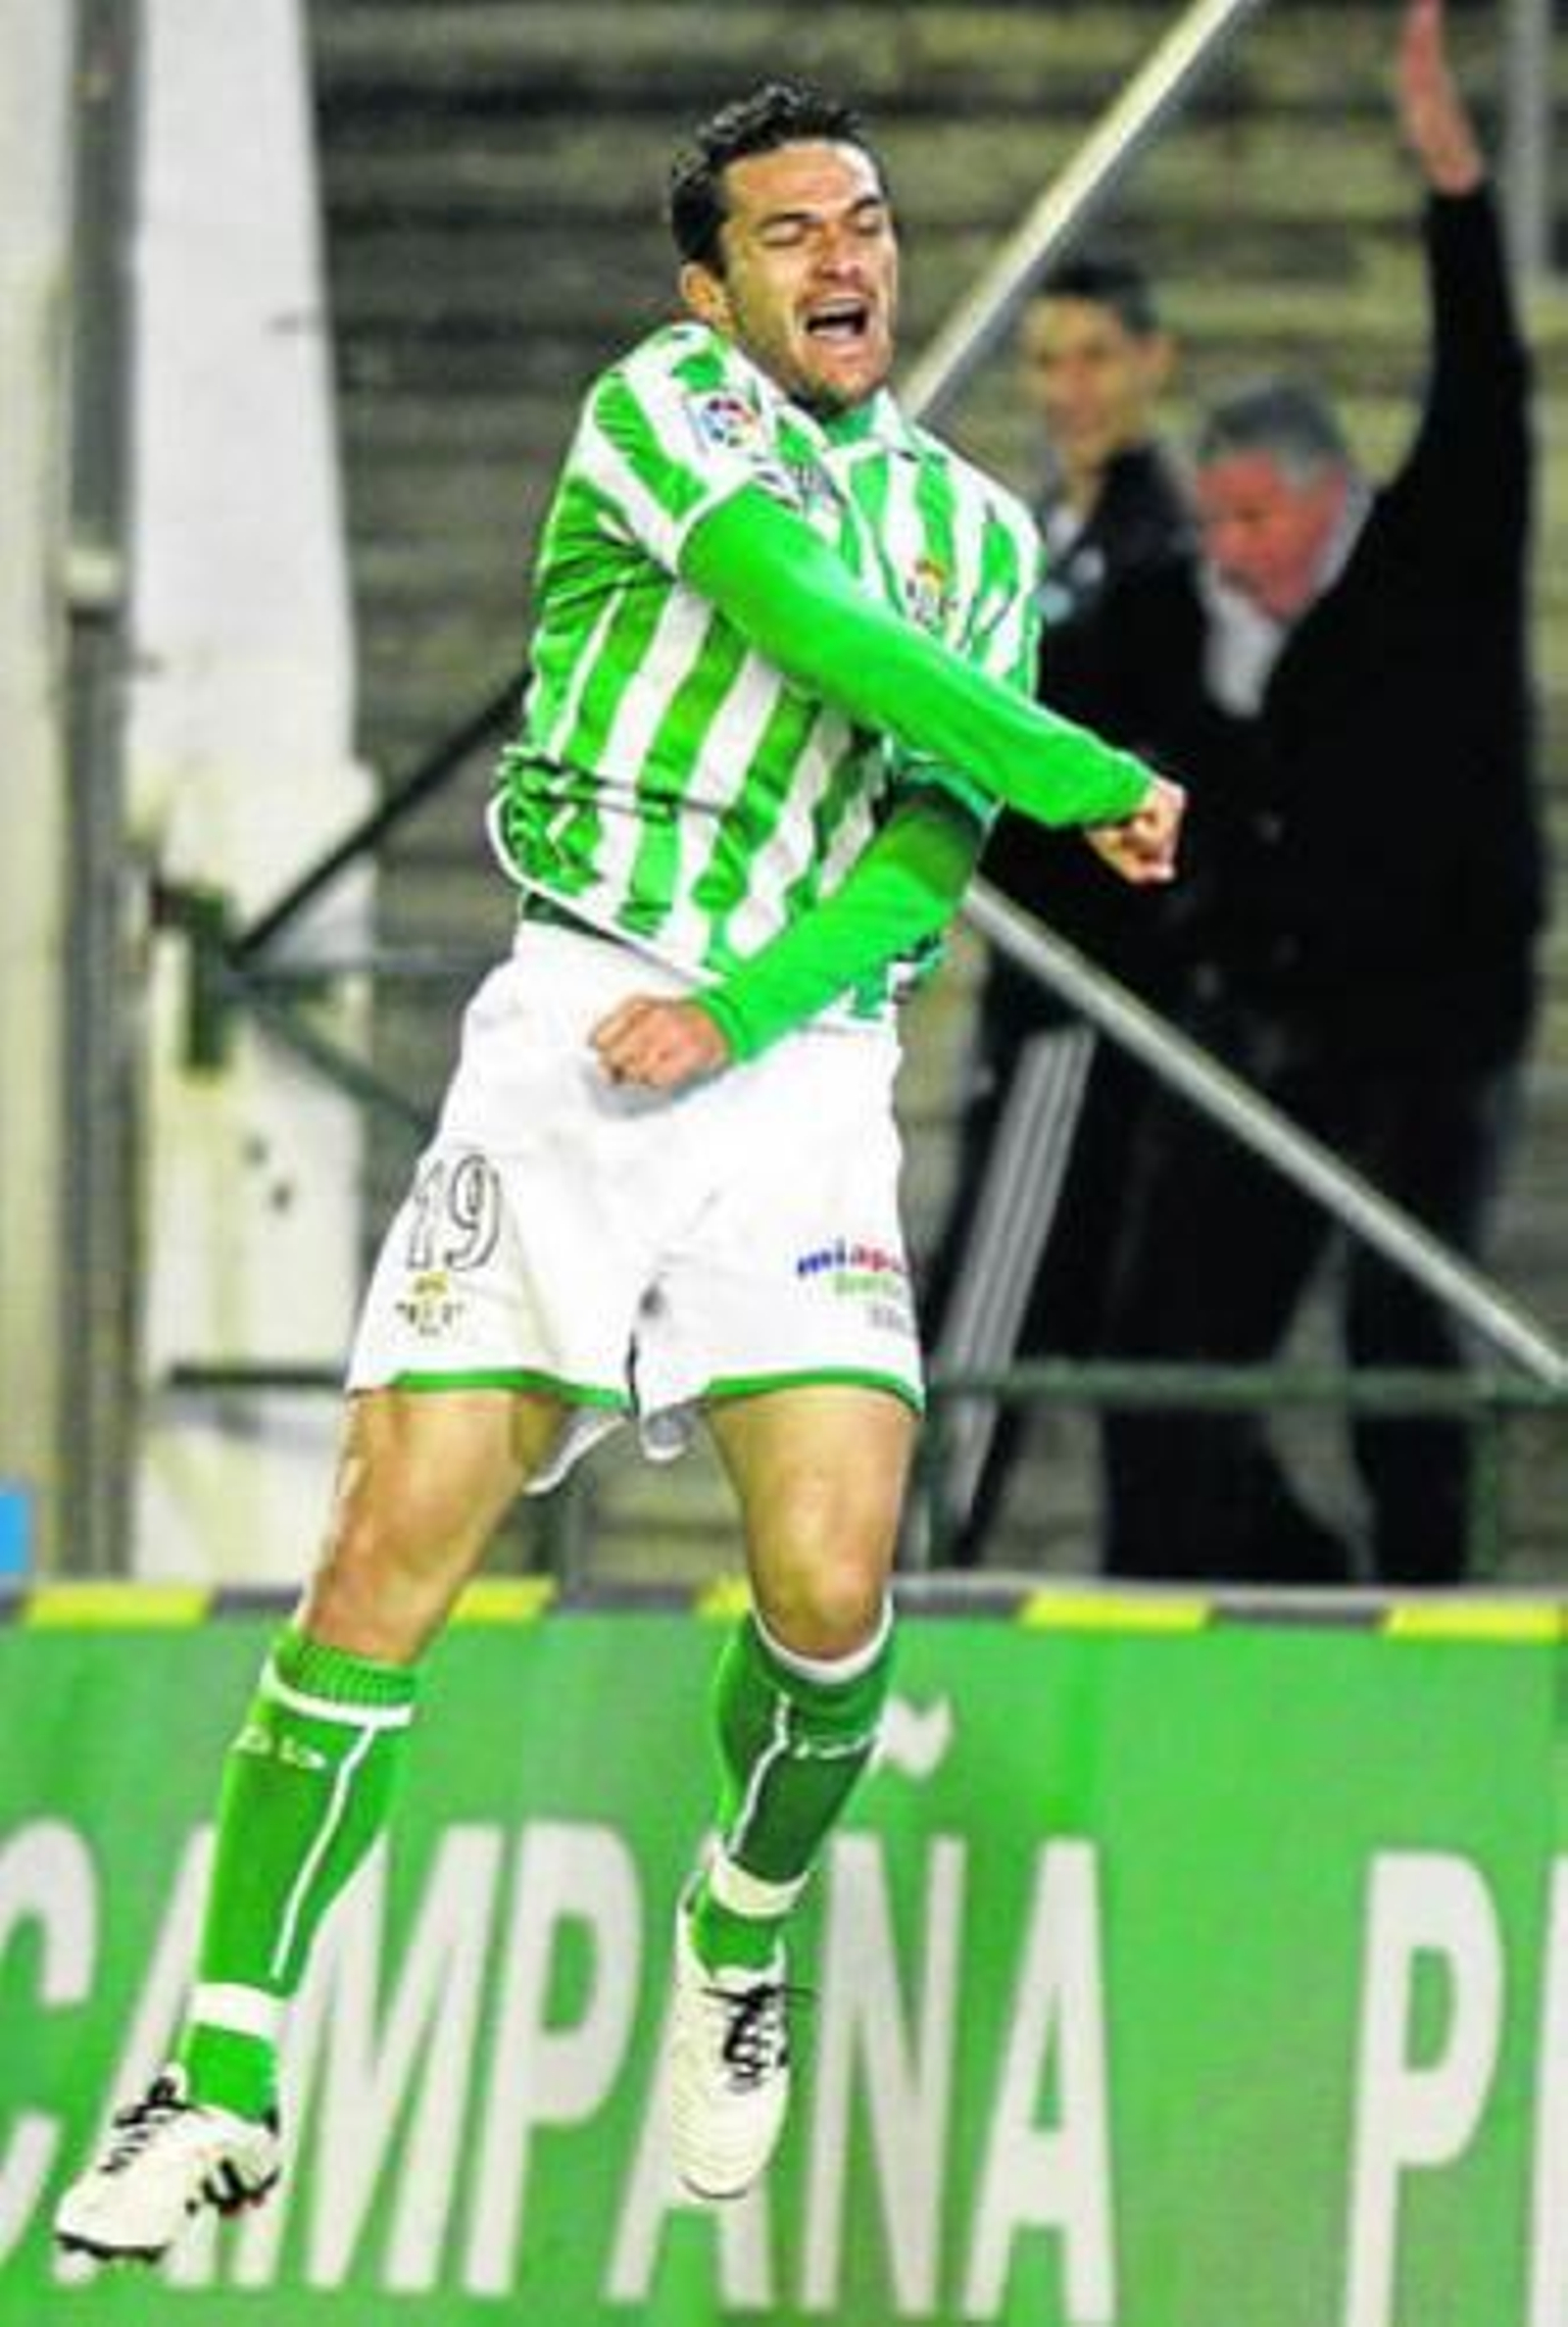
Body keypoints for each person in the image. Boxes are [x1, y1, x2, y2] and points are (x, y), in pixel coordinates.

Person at [55, 81, 1181, 2261]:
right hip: (574, 1039)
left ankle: (736, 1932)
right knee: (390, 1541)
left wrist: (752, 1006)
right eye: (787, 234)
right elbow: (812, 633)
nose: (843, 257)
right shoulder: (657, 415)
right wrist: (1084, 772)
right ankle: (227, 2071)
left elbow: (923, 840)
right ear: (709, 285)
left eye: (863, 218)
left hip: (793, 1064)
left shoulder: (969, 528)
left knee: (836, 1581)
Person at [1049, 0, 1543, 1585]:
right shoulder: (1208, 629)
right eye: (1222, 520)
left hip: (1436, 1024)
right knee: (1171, 1337)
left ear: (1331, 497)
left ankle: (1433, 1609)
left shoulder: (1432, 558)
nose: (1236, 549)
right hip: (1280, 1019)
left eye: (1260, 517)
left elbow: (1486, 391)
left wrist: (1454, 193)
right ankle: (1250, 1578)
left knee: (1404, 1331)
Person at [922, 255, 1191, 1560]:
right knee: (1036, 1295)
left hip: (1084, 994)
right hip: (1032, 986)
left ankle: (918, 1554)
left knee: (993, 1295)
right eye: (1045, 363)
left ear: (1154, 364)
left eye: (1092, 358)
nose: (1067, 390)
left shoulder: (1159, 559)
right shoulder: (1043, 538)